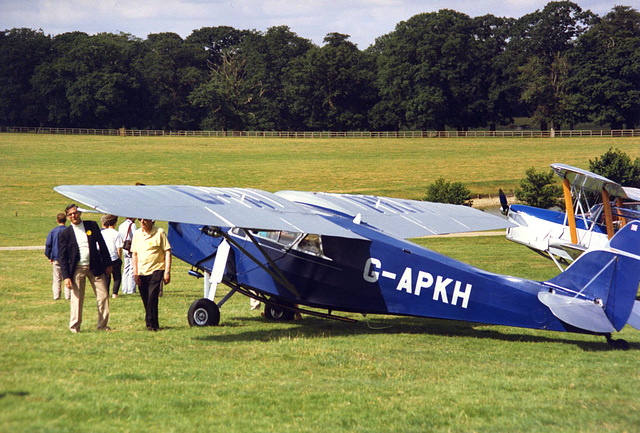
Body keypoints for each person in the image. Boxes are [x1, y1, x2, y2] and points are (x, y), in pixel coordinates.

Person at [58, 204, 112, 333]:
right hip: (77, 269)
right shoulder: (65, 233)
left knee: (103, 296)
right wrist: (66, 277)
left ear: (80, 213)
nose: (73, 216)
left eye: (75, 213)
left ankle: (103, 325)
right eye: (70, 214)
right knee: (77, 299)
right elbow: (62, 257)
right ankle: (75, 327)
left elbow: (102, 245)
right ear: (68, 217)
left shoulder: (91, 226)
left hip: (95, 267)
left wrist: (108, 264)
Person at [131, 218, 171, 331]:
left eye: (145, 220)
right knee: (146, 298)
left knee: (152, 296)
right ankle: (154, 323)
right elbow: (134, 254)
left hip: (157, 269)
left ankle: (149, 323)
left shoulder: (159, 232)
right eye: (140, 219)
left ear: (151, 220)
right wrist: (135, 272)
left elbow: (167, 252)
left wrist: (167, 272)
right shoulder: (137, 234)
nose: (142, 222)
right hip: (142, 271)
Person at [45, 213, 69, 300]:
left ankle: (56, 296)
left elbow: (48, 244)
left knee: (57, 278)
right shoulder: (69, 230)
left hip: (56, 257)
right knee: (67, 276)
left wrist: (49, 256)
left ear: (57, 220)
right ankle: (68, 295)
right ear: (65, 220)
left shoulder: (53, 231)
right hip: (67, 258)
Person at [101, 214, 123, 298]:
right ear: (115, 223)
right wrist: (119, 258)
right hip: (114, 257)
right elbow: (119, 248)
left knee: (106, 276)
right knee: (117, 277)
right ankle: (115, 293)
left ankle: (106, 293)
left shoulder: (102, 232)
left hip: (105, 257)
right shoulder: (116, 234)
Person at [118, 217, 137, 294]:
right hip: (130, 247)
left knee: (126, 268)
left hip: (124, 247)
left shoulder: (121, 225)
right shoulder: (132, 225)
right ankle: (131, 289)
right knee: (132, 268)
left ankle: (124, 288)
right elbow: (135, 236)